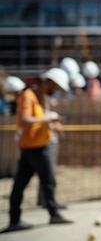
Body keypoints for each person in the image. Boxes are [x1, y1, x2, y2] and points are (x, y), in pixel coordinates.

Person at [4, 69, 73, 233]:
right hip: (34, 147)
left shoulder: (40, 98)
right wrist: (47, 118)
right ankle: (53, 213)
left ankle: (15, 219)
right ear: (48, 83)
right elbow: (25, 120)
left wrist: (52, 120)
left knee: (22, 183)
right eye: (54, 87)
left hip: (36, 145)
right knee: (47, 181)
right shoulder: (28, 96)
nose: (55, 91)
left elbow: (39, 118)